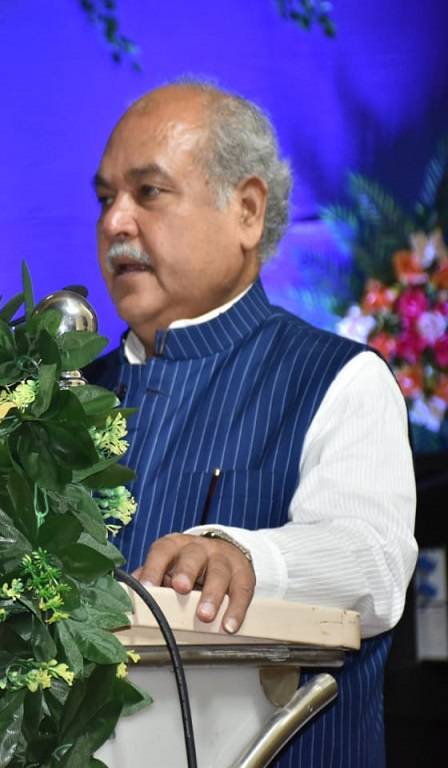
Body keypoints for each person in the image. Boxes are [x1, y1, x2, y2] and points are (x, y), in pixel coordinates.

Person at [85, 79, 417, 766]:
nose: (116, 223)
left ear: (245, 210)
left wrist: (242, 559)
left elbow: (373, 564)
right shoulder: (67, 397)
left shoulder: (337, 380)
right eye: (105, 198)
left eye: (148, 193)